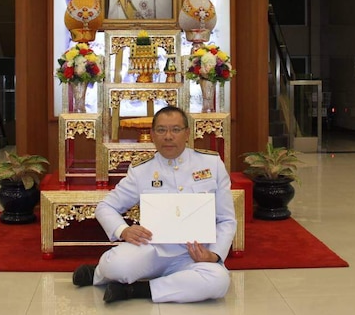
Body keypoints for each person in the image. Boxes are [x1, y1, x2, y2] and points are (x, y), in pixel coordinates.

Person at [72, 106, 237, 304]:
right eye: (161, 130)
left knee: (218, 281)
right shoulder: (142, 170)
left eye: (176, 130)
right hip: (152, 249)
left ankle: (137, 290)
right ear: (152, 135)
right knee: (115, 265)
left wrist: (214, 255)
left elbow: (226, 219)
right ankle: (98, 273)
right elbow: (105, 207)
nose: (168, 136)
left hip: (195, 253)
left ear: (187, 133)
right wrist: (123, 230)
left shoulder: (211, 164)